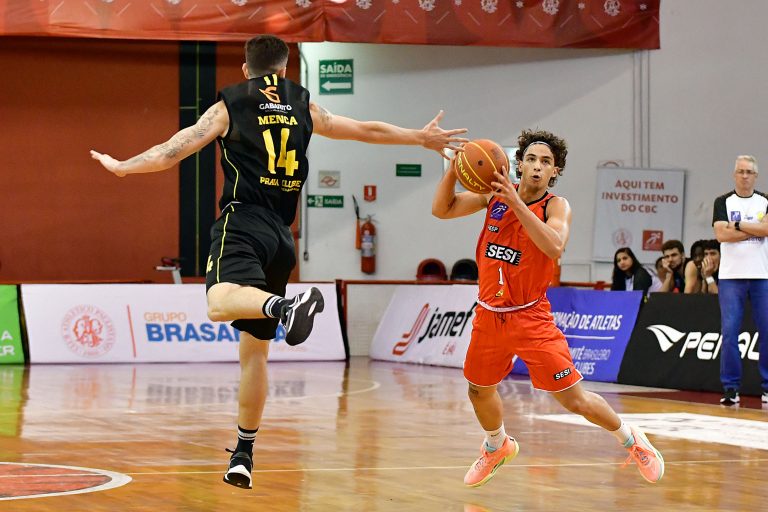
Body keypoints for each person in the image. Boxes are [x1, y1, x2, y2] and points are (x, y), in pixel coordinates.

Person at [91, 34, 469, 489]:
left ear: (246, 69)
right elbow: (365, 130)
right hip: (281, 237)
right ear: (285, 69)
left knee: (218, 303)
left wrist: (124, 166)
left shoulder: (229, 105)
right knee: (254, 351)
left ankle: (283, 308)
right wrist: (421, 138)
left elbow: (173, 150)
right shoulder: (305, 105)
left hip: (243, 222)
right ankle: (243, 453)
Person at [431, 129, 664, 487]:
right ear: (519, 165)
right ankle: (497, 445)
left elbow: (554, 246)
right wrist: (454, 169)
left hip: (530, 317)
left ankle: (632, 439)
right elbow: (441, 209)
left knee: (574, 400)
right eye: (531, 159)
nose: (538, 166)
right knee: (478, 389)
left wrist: (516, 203)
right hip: (489, 314)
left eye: (546, 162)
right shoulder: (492, 196)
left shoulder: (556, 206)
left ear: (555, 171)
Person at [712, 155, 768, 406]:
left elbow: (767, 230)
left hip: (761, 275)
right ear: (734, 174)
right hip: (731, 276)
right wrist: (753, 228)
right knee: (729, 333)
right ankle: (731, 388)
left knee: (766, 332)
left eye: (749, 172)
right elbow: (721, 235)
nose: (745, 176)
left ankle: (767, 387)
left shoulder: (765, 200)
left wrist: (735, 225)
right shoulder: (722, 201)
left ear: (756, 176)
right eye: (741, 171)